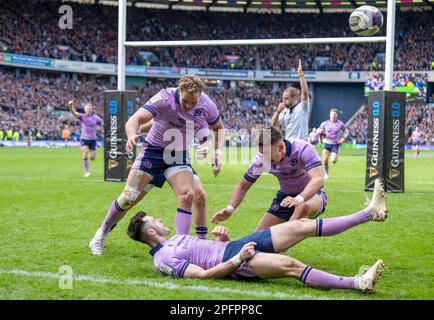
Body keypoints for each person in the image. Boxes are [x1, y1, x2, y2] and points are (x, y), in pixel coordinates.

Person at [127, 178, 388, 294]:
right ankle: (358, 283)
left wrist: (223, 240)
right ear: (150, 232)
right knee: (291, 266)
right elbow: (205, 275)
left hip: (237, 247)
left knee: (302, 225)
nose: (160, 220)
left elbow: (209, 254)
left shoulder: (174, 241)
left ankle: (371, 213)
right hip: (237, 261)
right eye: (155, 221)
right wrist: (237, 258)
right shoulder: (163, 258)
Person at [89, 75, 225, 255]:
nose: (189, 106)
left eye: (193, 102)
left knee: (187, 196)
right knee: (128, 198)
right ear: (179, 92)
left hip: (177, 155)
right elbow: (134, 120)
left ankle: (180, 248)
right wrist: (131, 135)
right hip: (153, 152)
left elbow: (219, 127)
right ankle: (102, 232)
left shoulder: (207, 104)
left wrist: (216, 152)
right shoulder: (164, 98)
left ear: (200, 96)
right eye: (185, 101)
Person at [212, 126, 326, 231]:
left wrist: (299, 199)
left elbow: (318, 179)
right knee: (258, 239)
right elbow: (243, 186)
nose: (264, 158)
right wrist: (230, 208)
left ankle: (283, 244)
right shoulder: (260, 160)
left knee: (302, 208)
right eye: (262, 153)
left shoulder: (302, 148)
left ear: (281, 148)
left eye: (267, 153)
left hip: (312, 195)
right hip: (285, 196)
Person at [271, 59, 311, 141]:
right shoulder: (284, 111)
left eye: (286, 98)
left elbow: (305, 92)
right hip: (289, 144)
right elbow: (273, 125)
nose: (283, 101)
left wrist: (301, 75)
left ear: (295, 98)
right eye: (283, 98)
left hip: (301, 144)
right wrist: (278, 111)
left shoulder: (302, 107)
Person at [68, 101, 103, 177]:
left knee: (93, 157)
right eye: (86, 109)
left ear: (91, 109)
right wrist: (71, 107)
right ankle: (87, 172)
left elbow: (102, 123)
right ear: (84, 110)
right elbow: (74, 113)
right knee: (85, 155)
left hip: (93, 139)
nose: (87, 110)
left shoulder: (95, 117)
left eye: (89, 109)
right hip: (84, 138)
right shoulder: (82, 116)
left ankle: (91, 154)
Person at [317, 109, 349, 179]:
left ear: (336, 115)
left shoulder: (340, 123)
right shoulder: (325, 123)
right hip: (327, 143)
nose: (333, 116)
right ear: (330, 115)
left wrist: (343, 138)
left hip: (335, 144)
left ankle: (336, 154)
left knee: (333, 161)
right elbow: (318, 130)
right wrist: (318, 131)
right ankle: (326, 174)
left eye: (335, 114)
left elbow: (346, 131)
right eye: (332, 114)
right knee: (325, 160)